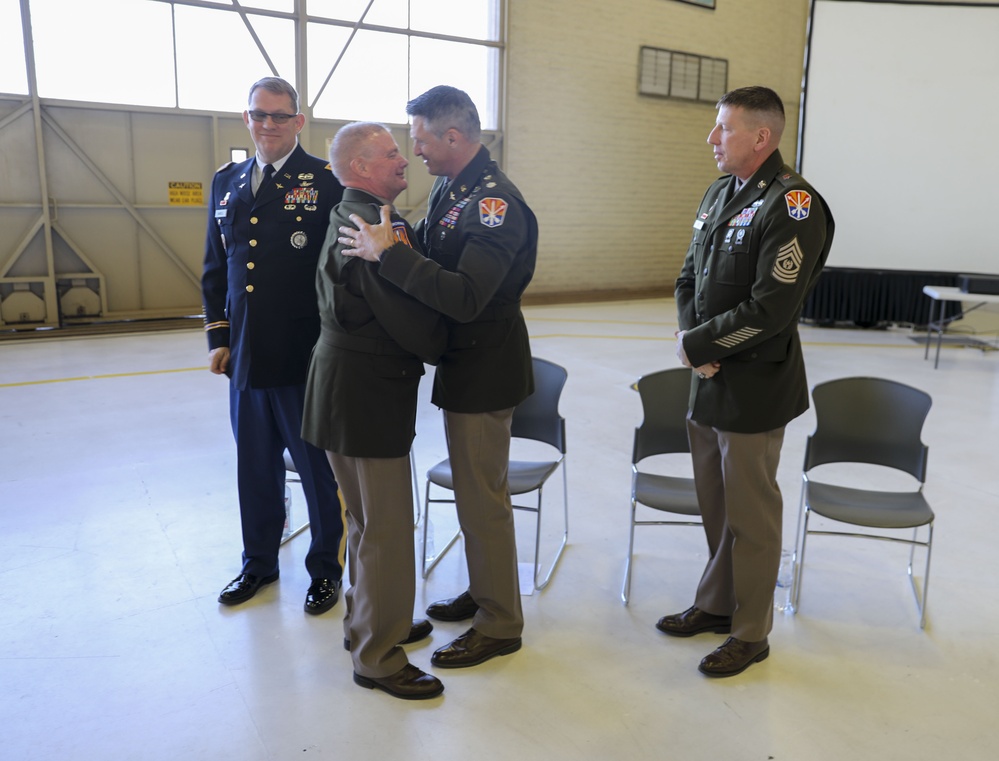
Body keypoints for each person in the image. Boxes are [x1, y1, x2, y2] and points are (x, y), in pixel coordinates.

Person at [339, 85, 538, 670]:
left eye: (421, 139)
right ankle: (484, 592)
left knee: (481, 500)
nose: (415, 151)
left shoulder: (493, 203)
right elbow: (430, 252)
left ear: (453, 137)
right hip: (463, 363)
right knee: (475, 495)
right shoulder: (455, 187)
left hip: (485, 365)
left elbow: (468, 295)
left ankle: (501, 622)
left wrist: (388, 255)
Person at [661, 86, 834, 677]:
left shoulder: (794, 206)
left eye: (724, 129)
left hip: (755, 386)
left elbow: (771, 309)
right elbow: (690, 277)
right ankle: (716, 604)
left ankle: (752, 631)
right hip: (707, 381)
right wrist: (693, 345)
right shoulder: (719, 192)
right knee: (715, 503)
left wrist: (700, 346)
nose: (712, 138)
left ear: (761, 137)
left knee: (752, 515)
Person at [301, 122, 446, 700]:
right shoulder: (376, 226)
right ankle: (380, 656)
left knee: (363, 521)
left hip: (340, 388)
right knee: (385, 527)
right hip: (367, 392)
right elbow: (405, 313)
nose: (404, 160)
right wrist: (446, 344)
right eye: (390, 154)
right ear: (360, 167)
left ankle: (368, 622)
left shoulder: (346, 212)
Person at [201, 77, 346, 614]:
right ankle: (257, 564)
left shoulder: (325, 182)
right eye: (259, 115)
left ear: (299, 122)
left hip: (304, 357)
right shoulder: (227, 182)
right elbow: (217, 267)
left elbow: (341, 272)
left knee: (316, 472)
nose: (268, 125)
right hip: (245, 359)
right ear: (247, 119)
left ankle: (326, 569)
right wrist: (219, 335)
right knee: (254, 469)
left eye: (280, 116)